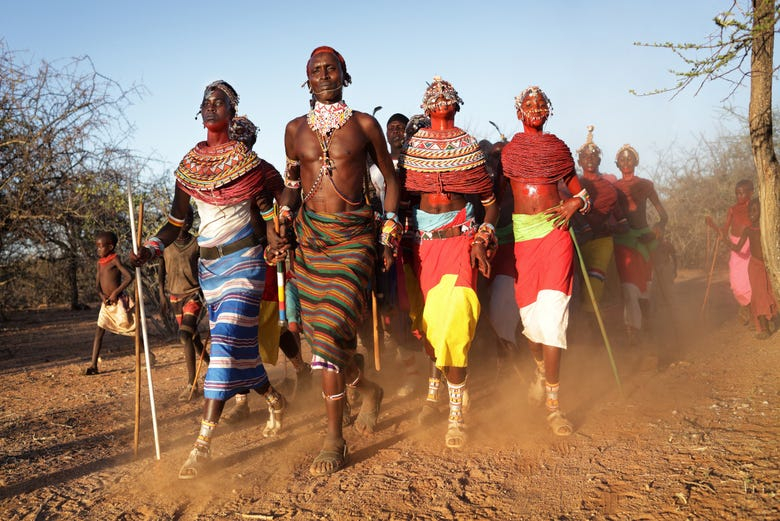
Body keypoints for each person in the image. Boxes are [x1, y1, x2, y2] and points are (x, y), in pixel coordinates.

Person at [131, 80, 287, 480]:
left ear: (232, 112)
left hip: (246, 263)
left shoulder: (248, 165)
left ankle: (201, 445)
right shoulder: (189, 167)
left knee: (222, 348)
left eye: (220, 102)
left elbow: (278, 198)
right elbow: (175, 223)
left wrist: (277, 229)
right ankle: (273, 398)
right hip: (209, 269)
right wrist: (150, 249)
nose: (211, 107)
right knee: (237, 350)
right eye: (206, 102)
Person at [277, 46, 400, 476]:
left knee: (328, 331)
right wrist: (284, 218)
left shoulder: (365, 124)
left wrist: (388, 231)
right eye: (316, 70)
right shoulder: (294, 130)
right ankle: (367, 390)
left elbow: (390, 179)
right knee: (324, 341)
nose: (324, 75)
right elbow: (292, 184)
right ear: (307, 79)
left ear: (344, 75)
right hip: (311, 243)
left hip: (354, 239)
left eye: (332, 69)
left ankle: (334, 440)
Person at [399, 76, 498, 448]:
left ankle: (456, 416)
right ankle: (446, 388)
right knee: (431, 329)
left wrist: (485, 235)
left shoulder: (468, 146)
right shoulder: (413, 150)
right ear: (427, 107)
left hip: (461, 241)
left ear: (456, 104)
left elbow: (490, 203)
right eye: (434, 96)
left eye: (447, 96)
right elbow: (402, 200)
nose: (441, 99)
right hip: (424, 246)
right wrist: (393, 231)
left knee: (455, 321)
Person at [501, 86, 589, 437]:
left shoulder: (557, 149)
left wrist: (574, 204)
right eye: (528, 104)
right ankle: (540, 368)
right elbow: (491, 197)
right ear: (519, 113)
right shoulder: (508, 154)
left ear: (547, 111)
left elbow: (580, 192)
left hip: (555, 233)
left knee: (553, 320)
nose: (535, 108)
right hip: (523, 238)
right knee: (532, 325)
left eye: (540, 104)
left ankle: (554, 407)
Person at [219, 115, 312, 424]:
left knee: (265, 323)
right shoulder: (215, 173)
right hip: (227, 259)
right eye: (234, 139)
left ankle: (301, 368)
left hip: (262, 254)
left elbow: (286, 204)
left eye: (243, 140)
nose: (238, 144)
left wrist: (280, 238)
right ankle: (242, 399)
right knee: (235, 327)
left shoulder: (264, 171)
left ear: (251, 142)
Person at [369, 113, 424, 397]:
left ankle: (438, 367)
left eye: (401, 127)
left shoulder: (418, 162)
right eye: (391, 128)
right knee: (392, 310)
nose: (396, 132)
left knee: (421, 303)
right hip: (384, 239)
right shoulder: (375, 164)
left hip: (416, 234)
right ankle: (413, 373)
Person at [612, 144, 669, 344]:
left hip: (646, 239)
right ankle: (634, 332)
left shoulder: (646, 185)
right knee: (629, 287)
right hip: (624, 240)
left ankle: (646, 327)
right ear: (617, 163)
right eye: (622, 159)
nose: (626, 162)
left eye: (630, 159)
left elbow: (663, 215)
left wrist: (656, 231)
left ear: (636, 162)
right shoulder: (614, 188)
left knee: (646, 289)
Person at [574, 126, 628, 331]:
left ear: (599, 161)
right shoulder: (572, 186)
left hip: (602, 242)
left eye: (594, 156)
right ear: (579, 161)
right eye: (585, 156)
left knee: (594, 285)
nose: (590, 159)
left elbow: (622, 223)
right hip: (577, 243)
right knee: (575, 287)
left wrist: (609, 226)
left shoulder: (609, 189)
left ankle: (594, 331)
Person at [158, 205, 209, 400]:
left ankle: (191, 385)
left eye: (189, 218)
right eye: (181, 217)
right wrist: (162, 295)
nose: (185, 222)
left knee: (184, 336)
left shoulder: (197, 244)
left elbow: (206, 268)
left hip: (193, 295)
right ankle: (213, 367)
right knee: (193, 339)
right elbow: (161, 271)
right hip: (174, 297)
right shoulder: (166, 244)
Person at [723, 198, 778, 339]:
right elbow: (738, 248)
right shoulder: (748, 230)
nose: (751, 214)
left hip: (767, 265)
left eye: (754, 210)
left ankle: (772, 319)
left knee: (770, 293)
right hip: (754, 266)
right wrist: (726, 241)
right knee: (759, 296)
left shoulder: (766, 228)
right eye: (749, 211)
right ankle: (764, 329)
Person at [85, 231, 136, 375]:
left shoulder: (115, 260)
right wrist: (101, 295)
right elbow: (97, 284)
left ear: (111, 247)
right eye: (97, 247)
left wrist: (115, 293)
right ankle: (93, 365)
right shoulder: (99, 263)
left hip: (119, 302)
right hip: (106, 304)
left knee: (132, 330)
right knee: (99, 331)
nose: (98, 250)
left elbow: (129, 276)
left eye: (101, 247)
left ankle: (147, 354)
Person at [706, 179, 754, 325]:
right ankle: (746, 307)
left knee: (750, 282)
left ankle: (753, 313)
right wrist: (713, 225)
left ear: (751, 193)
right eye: (737, 194)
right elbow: (724, 231)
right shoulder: (732, 210)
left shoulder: (755, 209)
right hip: (735, 248)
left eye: (742, 193)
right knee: (735, 283)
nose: (739, 196)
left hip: (750, 248)